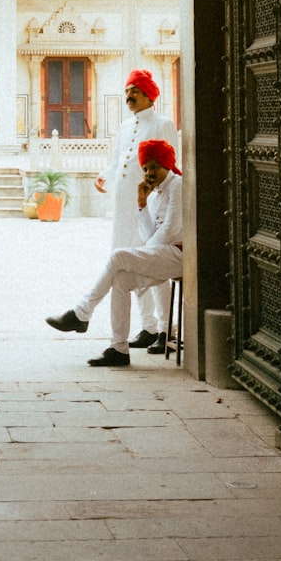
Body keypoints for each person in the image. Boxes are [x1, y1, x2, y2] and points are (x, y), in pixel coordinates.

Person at [45, 137, 183, 366]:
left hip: (179, 255)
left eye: (154, 167)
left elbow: (170, 231)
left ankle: (81, 313)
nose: (149, 172)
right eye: (146, 168)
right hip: (163, 255)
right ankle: (119, 349)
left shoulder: (177, 184)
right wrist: (142, 203)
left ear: (166, 164)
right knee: (121, 279)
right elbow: (150, 235)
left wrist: (141, 254)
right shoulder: (157, 192)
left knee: (119, 256)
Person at [96, 69, 179, 354]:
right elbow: (119, 158)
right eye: (127, 91)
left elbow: (172, 164)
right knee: (130, 262)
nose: (129, 96)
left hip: (151, 207)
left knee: (153, 263)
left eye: (135, 91)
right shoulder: (124, 126)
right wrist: (105, 175)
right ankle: (148, 327)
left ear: (148, 95)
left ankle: (168, 330)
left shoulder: (162, 124)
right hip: (124, 206)